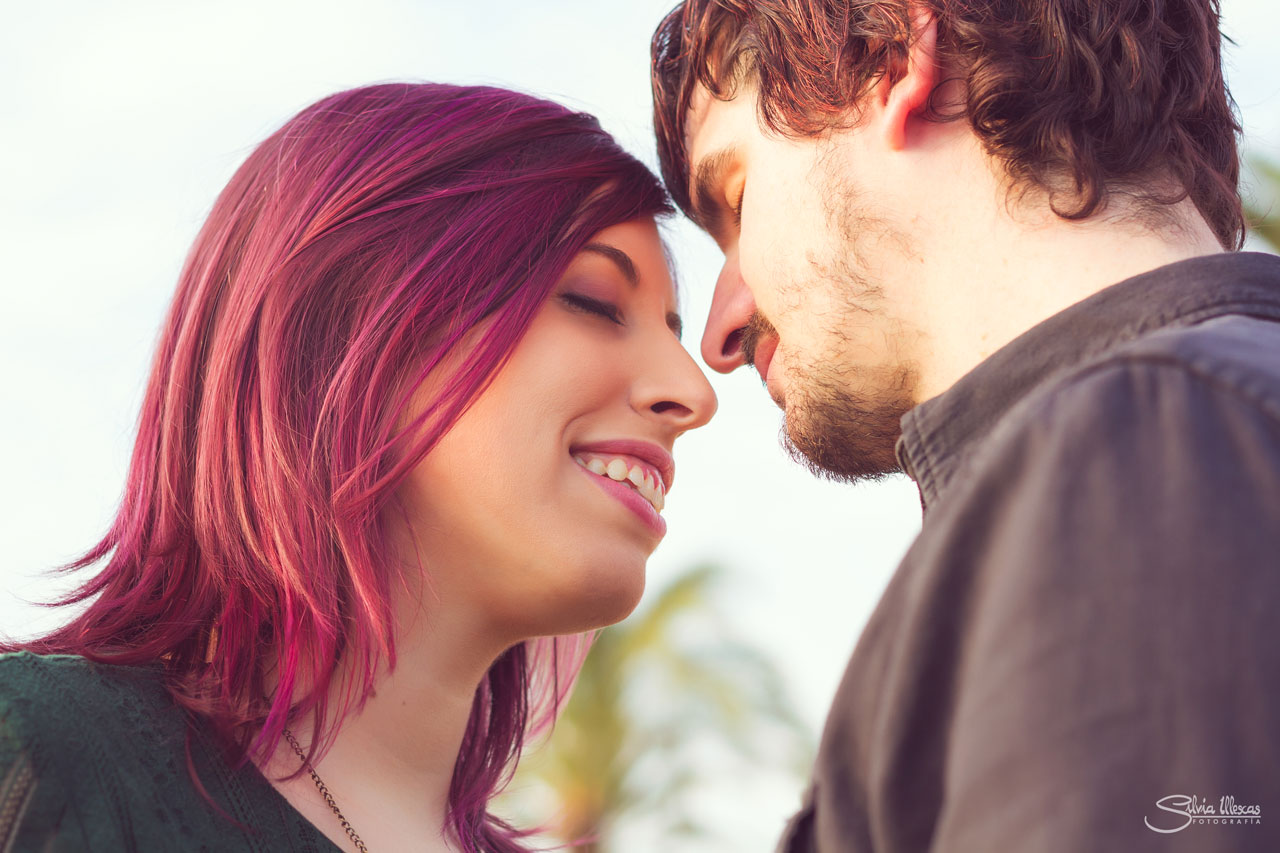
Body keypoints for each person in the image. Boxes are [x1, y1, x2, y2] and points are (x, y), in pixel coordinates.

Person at [0, 82, 715, 853]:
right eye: (594, 301)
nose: (694, 391)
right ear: (354, 328)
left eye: (673, 331)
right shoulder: (39, 759)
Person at [652, 1, 1280, 851]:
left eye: (735, 194)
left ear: (888, 60)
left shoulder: (1133, 453)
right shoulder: (1187, 433)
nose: (719, 331)